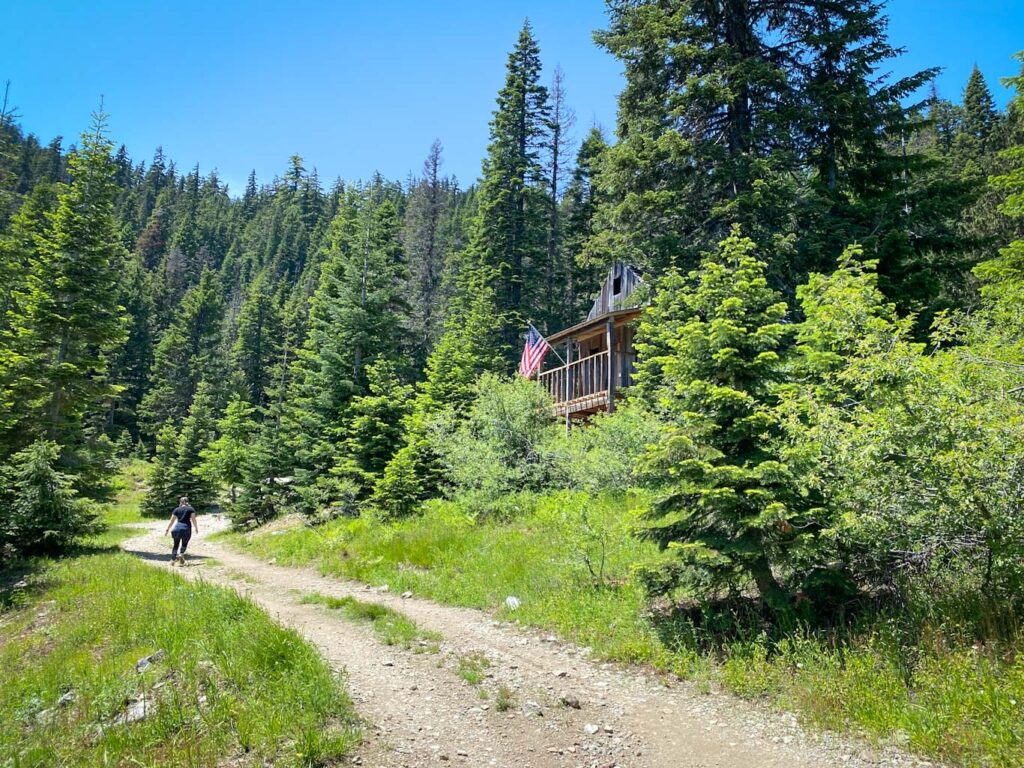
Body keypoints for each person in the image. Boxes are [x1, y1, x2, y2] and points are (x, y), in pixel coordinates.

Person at [164, 496, 198, 565]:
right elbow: (194, 519)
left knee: (175, 545)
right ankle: (181, 553)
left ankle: (172, 560)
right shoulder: (191, 509)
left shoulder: (176, 509)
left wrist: (167, 529)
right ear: (187, 502)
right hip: (186, 528)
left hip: (176, 529)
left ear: (180, 502)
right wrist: (196, 528)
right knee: (184, 543)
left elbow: (172, 521)